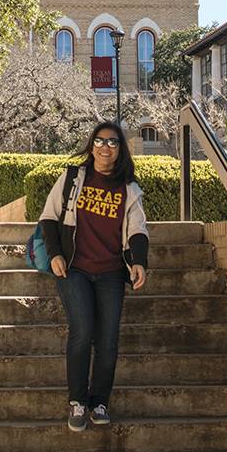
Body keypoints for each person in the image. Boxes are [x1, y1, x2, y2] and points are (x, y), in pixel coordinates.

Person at [38, 120, 149, 432]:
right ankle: (77, 401)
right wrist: (56, 253)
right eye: (100, 141)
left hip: (112, 273)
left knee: (108, 340)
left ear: (120, 149)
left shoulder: (129, 188)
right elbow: (49, 216)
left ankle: (99, 400)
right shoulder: (73, 177)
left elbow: (138, 229)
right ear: (91, 145)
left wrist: (138, 261)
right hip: (74, 269)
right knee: (82, 330)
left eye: (112, 142)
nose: (105, 147)